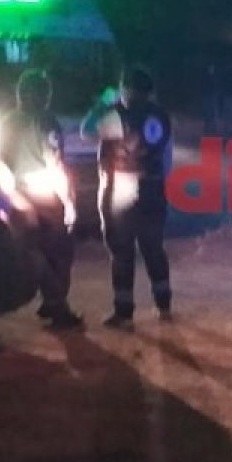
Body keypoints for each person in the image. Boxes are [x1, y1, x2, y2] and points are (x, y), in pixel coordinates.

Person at [81, 66, 173, 329]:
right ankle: (164, 305)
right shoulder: (160, 116)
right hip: (153, 187)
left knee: (121, 251)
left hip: (120, 189)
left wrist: (103, 102)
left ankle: (124, 312)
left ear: (125, 89)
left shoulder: (116, 115)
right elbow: (167, 155)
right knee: (154, 248)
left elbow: (86, 132)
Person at [0, 69, 84, 329]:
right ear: (43, 95)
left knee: (33, 249)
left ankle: (50, 301)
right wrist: (68, 203)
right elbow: (54, 164)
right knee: (60, 252)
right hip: (45, 194)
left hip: (18, 191)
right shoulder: (46, 122)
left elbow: (3, 159)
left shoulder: (7, 122)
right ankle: (58, 306)